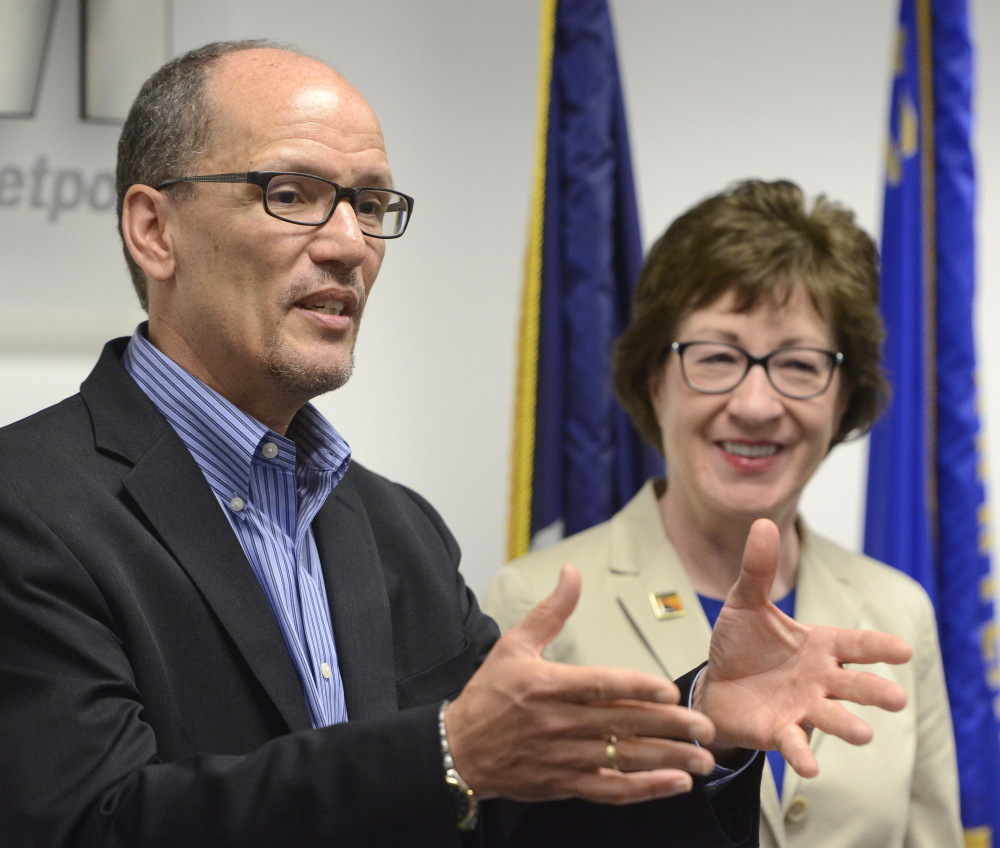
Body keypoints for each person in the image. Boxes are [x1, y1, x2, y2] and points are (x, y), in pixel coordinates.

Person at [0, 43, 912, 848]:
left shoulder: (400, 531)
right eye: (293, 195)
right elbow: (86, 823)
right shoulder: (28, 505)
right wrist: (442, 755)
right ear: (154, 230)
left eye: (369, 203)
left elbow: (522, 809)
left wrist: (702, 726)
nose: (351, 244)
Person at [484, 179, 963, 848]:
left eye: (799, 365)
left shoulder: (898, 611)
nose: (757, 404)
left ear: (844, 399)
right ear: (654, 380)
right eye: (717, 358)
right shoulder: (536, 602)